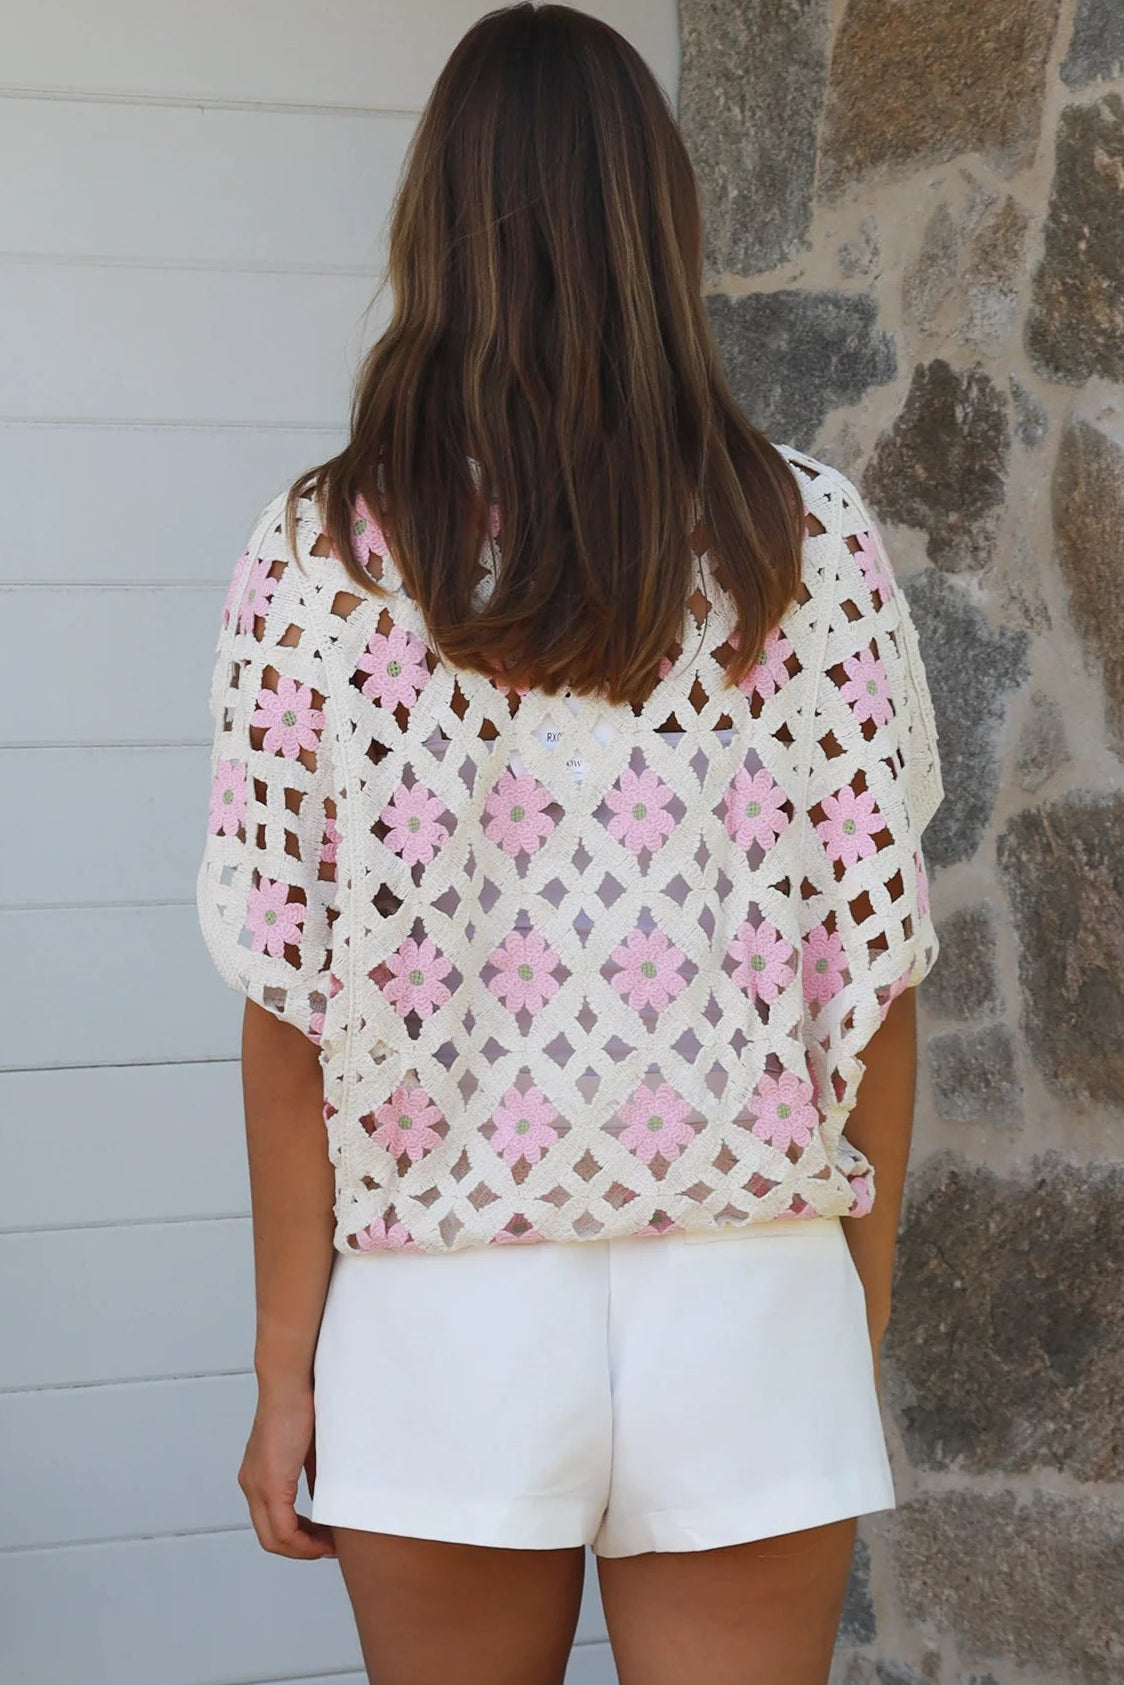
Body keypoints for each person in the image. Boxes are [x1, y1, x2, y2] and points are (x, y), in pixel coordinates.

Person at [196, 6, 944, 1682]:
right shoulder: (804, 539)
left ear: (437, 228)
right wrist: (850, 1307)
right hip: (750, 1301)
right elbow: (875, 976)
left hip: (439, 1319)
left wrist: (284, 1364)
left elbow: (291, 1009)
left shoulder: (324, 559)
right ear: (658, 228)